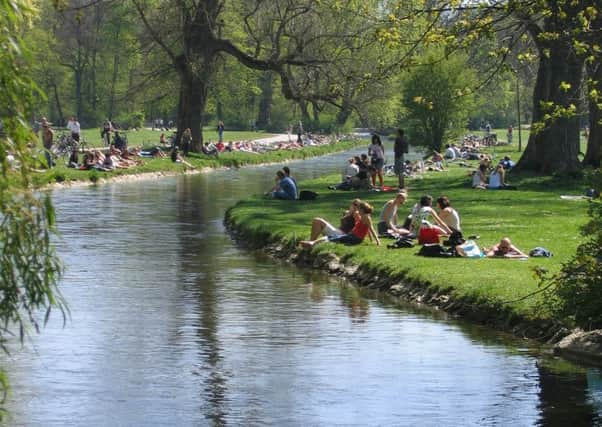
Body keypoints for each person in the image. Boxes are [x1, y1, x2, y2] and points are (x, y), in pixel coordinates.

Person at [299, 201, 380, 247]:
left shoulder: (365, 217)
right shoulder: (362, 217)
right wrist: (370, 240)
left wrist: (377, 242)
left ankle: (312, 243)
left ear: (362, 209)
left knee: (333, 238)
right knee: (332, 237)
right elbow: (367, 230)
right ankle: (313, 243)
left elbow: (371, 229)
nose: (357, 209)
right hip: (352, 236)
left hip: (354, 238)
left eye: (358, 208)